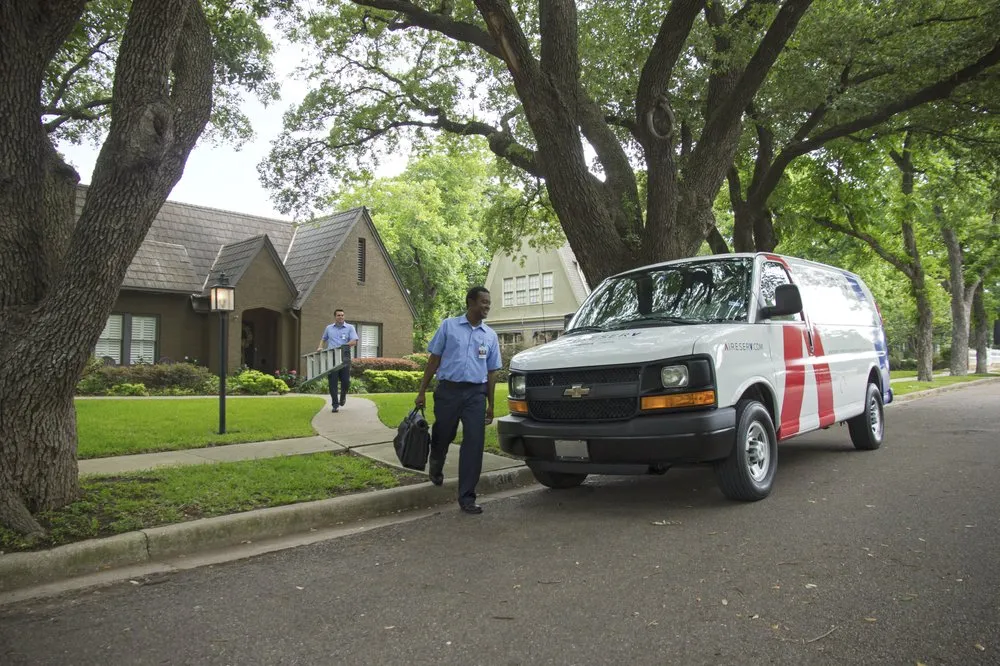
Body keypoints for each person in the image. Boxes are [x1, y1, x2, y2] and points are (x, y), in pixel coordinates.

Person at [415, 286, 502, 515]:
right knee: (443, 435)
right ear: (470, 303)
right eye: (483, 302)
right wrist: (421, 391)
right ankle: (436, 463)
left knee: (474, 443)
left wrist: (491, 404)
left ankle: (467, 497)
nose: (487, 306)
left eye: (488, 303)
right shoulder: (449, 326)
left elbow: (492, 372)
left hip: (475, 394)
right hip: (448, 391)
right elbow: (434, 359)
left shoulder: (490, 336)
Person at [318, 308, 358, 413]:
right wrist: (320, 347)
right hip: (332, 358)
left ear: (344, 316)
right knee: (333, 382)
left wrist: (343, 346)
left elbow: (354, 341)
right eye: (338, 315)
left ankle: (343, 396)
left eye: (342, 315)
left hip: (344, 357)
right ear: (335, 317)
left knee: (346, 381)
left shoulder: (350, 327)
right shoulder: (329, 328)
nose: (340, 317)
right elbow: (324, 339)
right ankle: (335, 405)